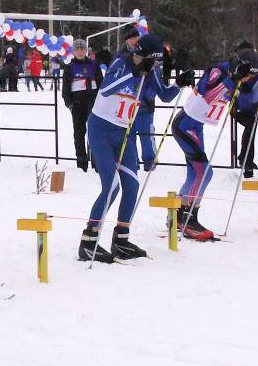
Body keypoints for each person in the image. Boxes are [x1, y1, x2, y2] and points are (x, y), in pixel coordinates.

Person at [78, 34, 181, 263]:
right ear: (142, 55)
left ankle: (121, 239)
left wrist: (180, 84)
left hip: (124, 132)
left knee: (132, 185)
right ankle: (88, 241)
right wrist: (134, 72)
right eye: (153, 61)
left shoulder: (150, 69)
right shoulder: (120, 62)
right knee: (112, 186)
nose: (155, 66)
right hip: (101, 130)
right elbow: (106, 89)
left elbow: (164, 95)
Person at [172, 48, 256, 240]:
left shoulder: (236, 77)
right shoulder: (218, 72)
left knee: (195, 172)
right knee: (204, 172)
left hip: (195, 126)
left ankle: (178, 214)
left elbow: (244, 98)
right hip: (186, 124)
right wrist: (232, 80)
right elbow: (206, 96)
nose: (248, 78)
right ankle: (188, 218)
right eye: (248, 74)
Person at [63, 39, 103, 171]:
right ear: (73, 52)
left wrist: (100, 102)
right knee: (79, 134)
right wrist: (70, 104)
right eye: (77, 49)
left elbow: (101, 84)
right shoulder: (69, 67)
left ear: (86, 50)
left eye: (82, 49)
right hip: (77, 105)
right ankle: (81, 163)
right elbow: (65, 89)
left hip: (92, 104)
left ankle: (96, 162)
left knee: (94, 133)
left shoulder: (94, 65)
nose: (80, 51)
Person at [232, 52, 258, 178]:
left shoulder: (257, 75)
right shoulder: (239, 71)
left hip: (252, 110)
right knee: (250, 128)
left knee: (251, 130)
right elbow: (232, 88)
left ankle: (245, 159)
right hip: (239, 109)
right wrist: (240, 88)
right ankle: (246, 161)